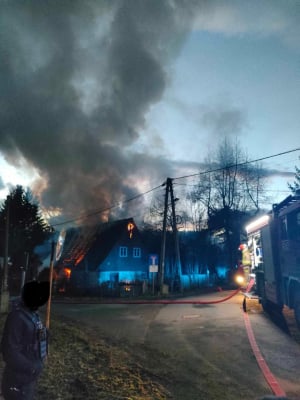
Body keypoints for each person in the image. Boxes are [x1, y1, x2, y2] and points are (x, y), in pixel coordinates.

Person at [1, 280, 50, 400]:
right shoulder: (17, 317)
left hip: (28, 378)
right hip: (17, 379)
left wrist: (45, 336)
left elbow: (35, 338)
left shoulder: (33, 314)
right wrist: (32, 367)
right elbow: (9, 351)